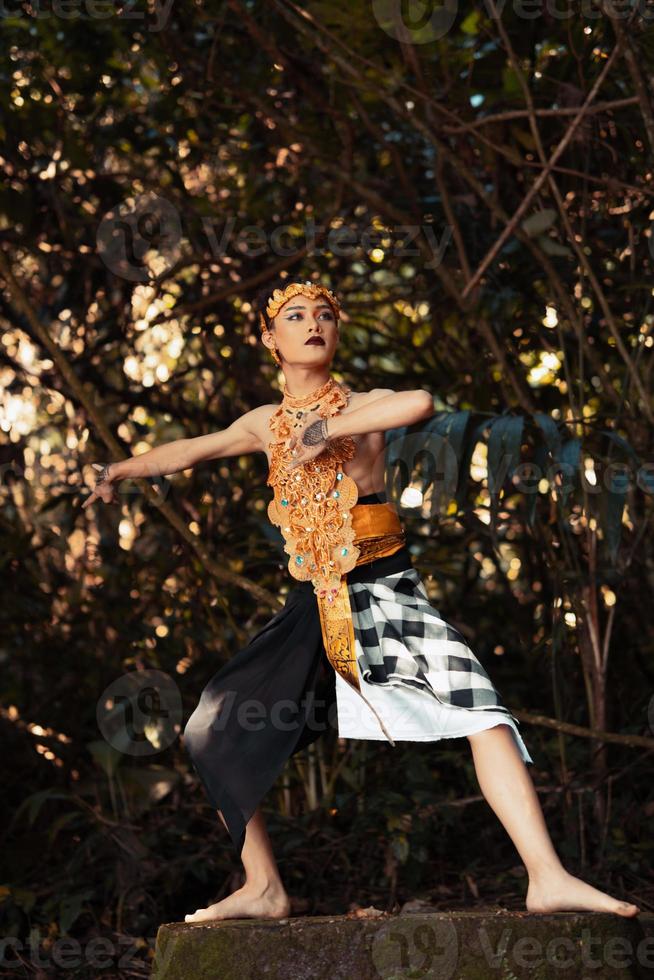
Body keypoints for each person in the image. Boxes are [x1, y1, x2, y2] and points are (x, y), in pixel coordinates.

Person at [83, 276, 640, 923]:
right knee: (211, 731)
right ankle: (263, 886)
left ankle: (546, 877)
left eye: (325, 314)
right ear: (270, 338)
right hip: (312, 601)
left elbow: (419, 402)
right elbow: (189, 450)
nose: (313, 323)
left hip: (384, 589)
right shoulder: (264, 423)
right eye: (295, 315)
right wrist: (118, 469)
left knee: (481, 711)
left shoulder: (364, 403)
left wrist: (329, 426)